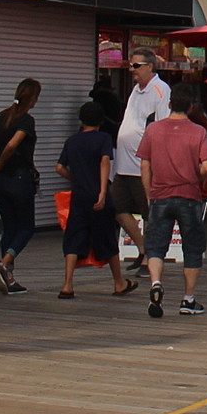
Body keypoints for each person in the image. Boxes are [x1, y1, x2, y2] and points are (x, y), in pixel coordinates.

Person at [137, 91, 207, 318]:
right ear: (191, 107)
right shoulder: (198, 132)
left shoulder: (153, 129)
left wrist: (149, 193)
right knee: (192, 247)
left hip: (160, 195)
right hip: (189, 196)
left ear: (169, 104)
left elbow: (144, 164)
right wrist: (194, 172)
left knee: (156, 245)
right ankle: (188, 299)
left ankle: (156, 282)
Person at [54, 101, 130, 299]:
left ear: (81, 120)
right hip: (98, 196)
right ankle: (118, 282)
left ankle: (67, 284)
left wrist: (76, 178)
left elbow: (59, 167)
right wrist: (103, 191)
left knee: (73, 238)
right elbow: (105, 161)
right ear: (100, 121)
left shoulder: (72, 141)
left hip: (79, 196)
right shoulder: (103, 138)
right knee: (106, 238)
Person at [111, 51, 170, 275]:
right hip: (124, 163)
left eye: (136, 65)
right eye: (130, 65)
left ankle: (150, 257)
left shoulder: (160, 89)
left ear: (150, 66)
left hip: (141, 162)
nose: (132, 69)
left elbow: (161, 125)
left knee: (149, 212)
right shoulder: (137, 89)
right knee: (118, 208)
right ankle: (143, 247)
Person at [0, 78, 41, 294]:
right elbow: (12, 145)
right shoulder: (25, 120)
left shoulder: (2, 117)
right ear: (33, 98)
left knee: (9, 227)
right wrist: (1, 162)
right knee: (27, 227)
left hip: (0, 181)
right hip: (19, 178)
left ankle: (8, 276)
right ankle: (4, 263)